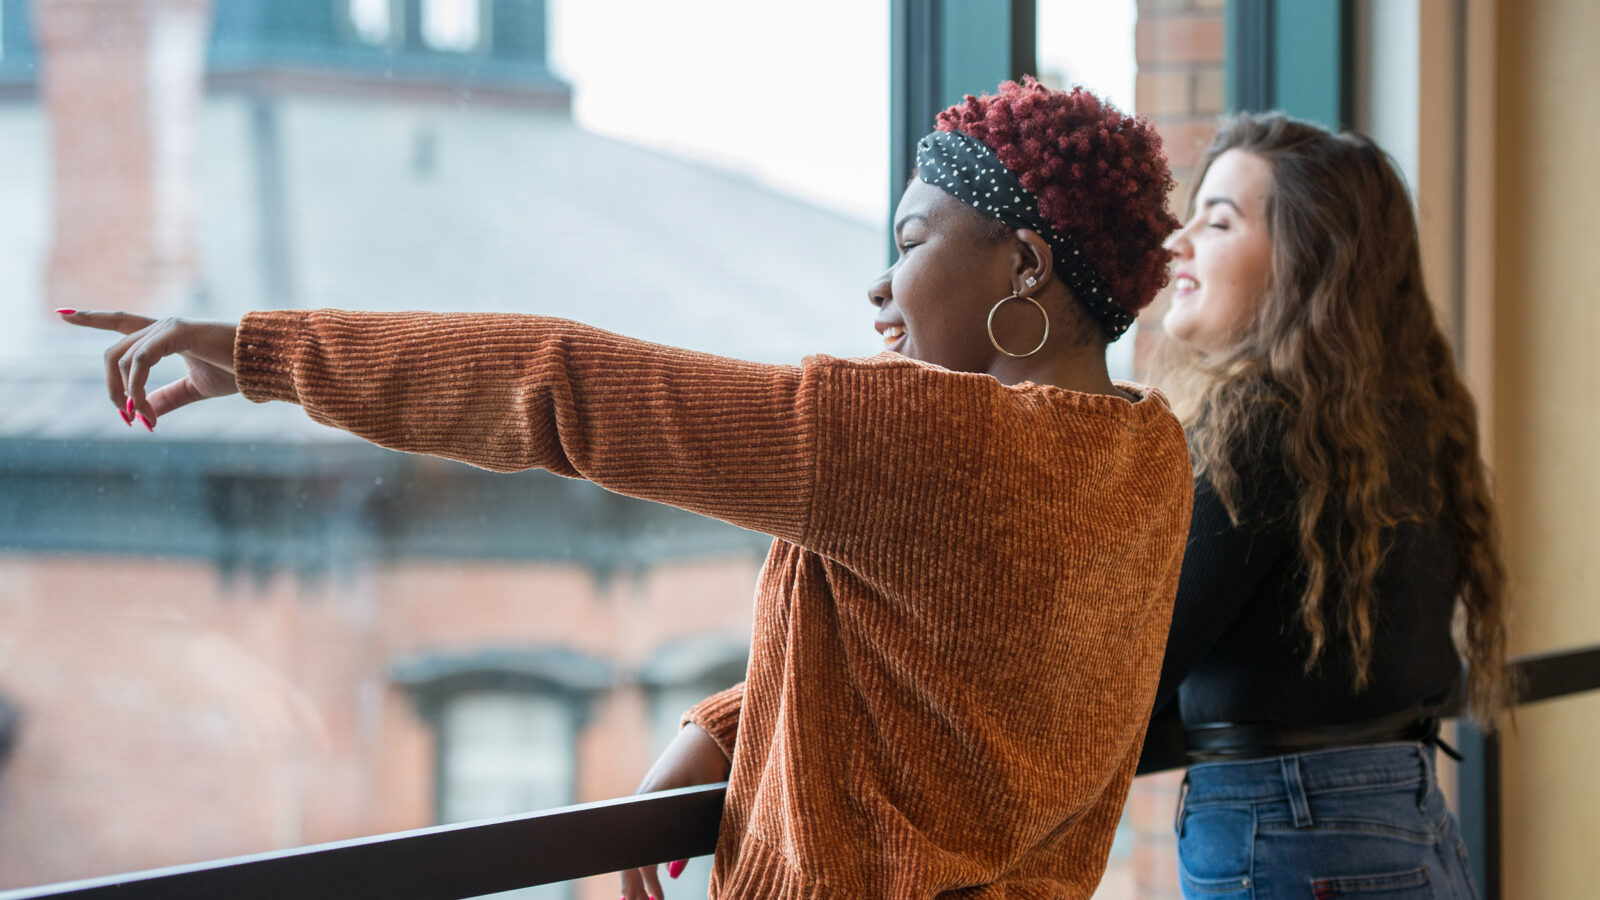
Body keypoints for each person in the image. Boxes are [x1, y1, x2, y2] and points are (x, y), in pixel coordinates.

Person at [64, 78, 1193, 900]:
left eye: (909, 239)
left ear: (1025, 266)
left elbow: (558, 386)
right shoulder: (1149, 459)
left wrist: (267, 356)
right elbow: (948, 681)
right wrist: (715, 735)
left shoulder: (908, 439)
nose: (880, 283)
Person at [1147, 111, 1509, 899]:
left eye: (1216, 222)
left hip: (1293, 837)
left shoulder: (1262, 422)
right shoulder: (1396, 423)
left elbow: (1133, 661)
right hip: (1401, 817)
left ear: (1305, 258)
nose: (1176, 244)